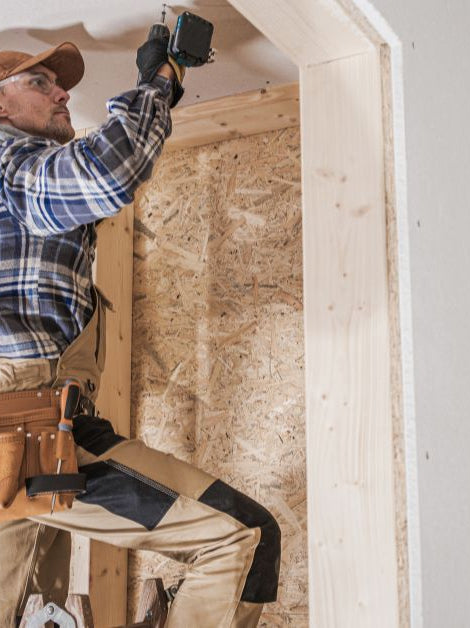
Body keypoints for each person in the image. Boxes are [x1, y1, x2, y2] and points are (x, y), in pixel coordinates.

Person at [0, 38, 280, 627]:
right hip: (24, 430)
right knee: (238, 538)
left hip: (42, 431)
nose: (62, 92)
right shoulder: (8, 162)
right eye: (39, 83)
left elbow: (93, 193)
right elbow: (105, 172)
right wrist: (156, 84)